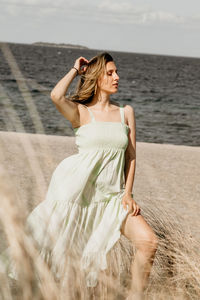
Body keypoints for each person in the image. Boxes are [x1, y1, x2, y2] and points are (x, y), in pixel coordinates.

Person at [19, 52, 158, 300]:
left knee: (148, 242)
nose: (117, 77)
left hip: (114, 198)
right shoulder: (81, 113)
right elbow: (55, 96)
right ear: (96, 77)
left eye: (116, 72)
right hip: (78, 196)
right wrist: (75, 69)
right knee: (70, 267)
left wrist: (128, 193)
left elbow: (131, 157)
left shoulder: (126, 112)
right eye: (110, 73)